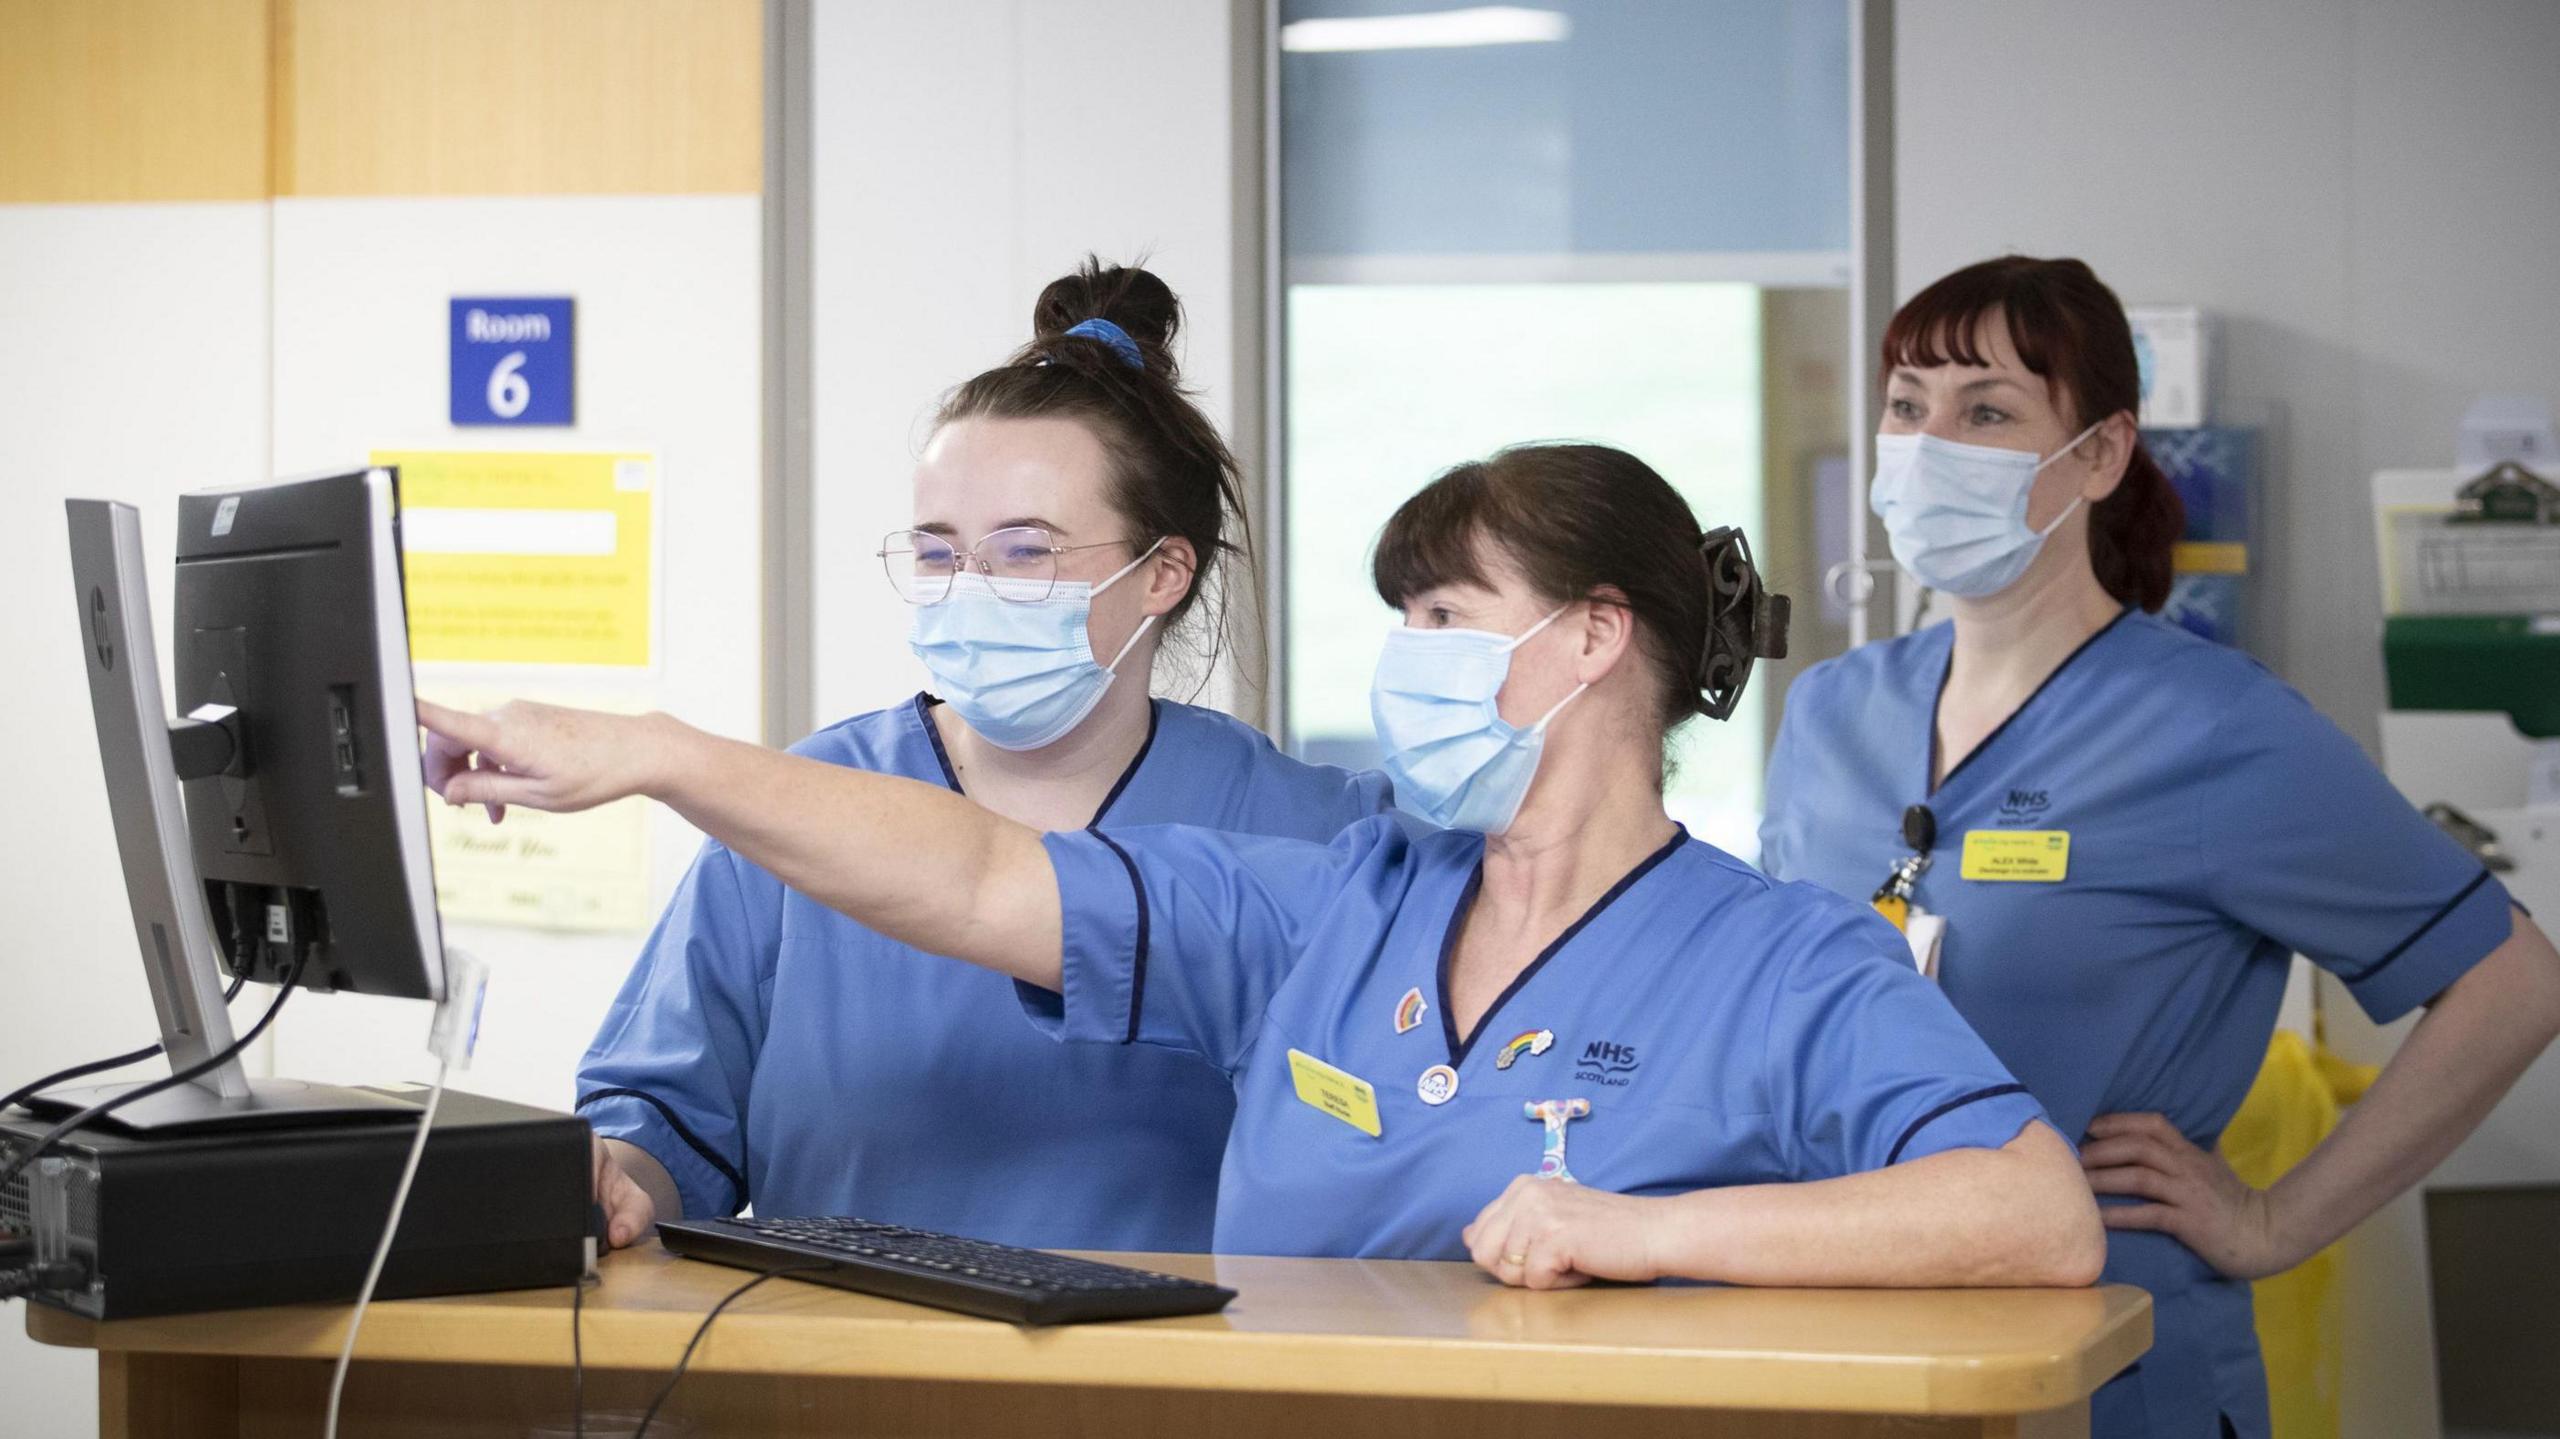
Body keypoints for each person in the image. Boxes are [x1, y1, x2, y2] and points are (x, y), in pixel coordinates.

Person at [420, 442, 2107, 1291]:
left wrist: (1654, 1230)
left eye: (1446, 617)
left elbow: (2033, 1208)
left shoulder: (1779, 958)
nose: (1408, 656)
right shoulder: (1338, 894)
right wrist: (660, 751)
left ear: (1597, 639)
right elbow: (977, 876)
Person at [1757, 255, 2560, 1437]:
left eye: (1986, 410)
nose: (1929, 445)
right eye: (1906, 405)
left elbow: (2513, 982)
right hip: (1850, 1345)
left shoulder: (2215, 729)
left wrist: (2276, 1222)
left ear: (2096, 453)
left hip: (2111, 1367)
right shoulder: (1829, 712)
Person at [567, 259, 1391, 1254]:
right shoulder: (800, 814)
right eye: (936, 550)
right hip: (836, 1373)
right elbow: (662, 1126)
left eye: (1025, 550)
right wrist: (618, 1177)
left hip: (1173, 1386)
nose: (968, 590)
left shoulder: (1307, 829)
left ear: (1163, 571)